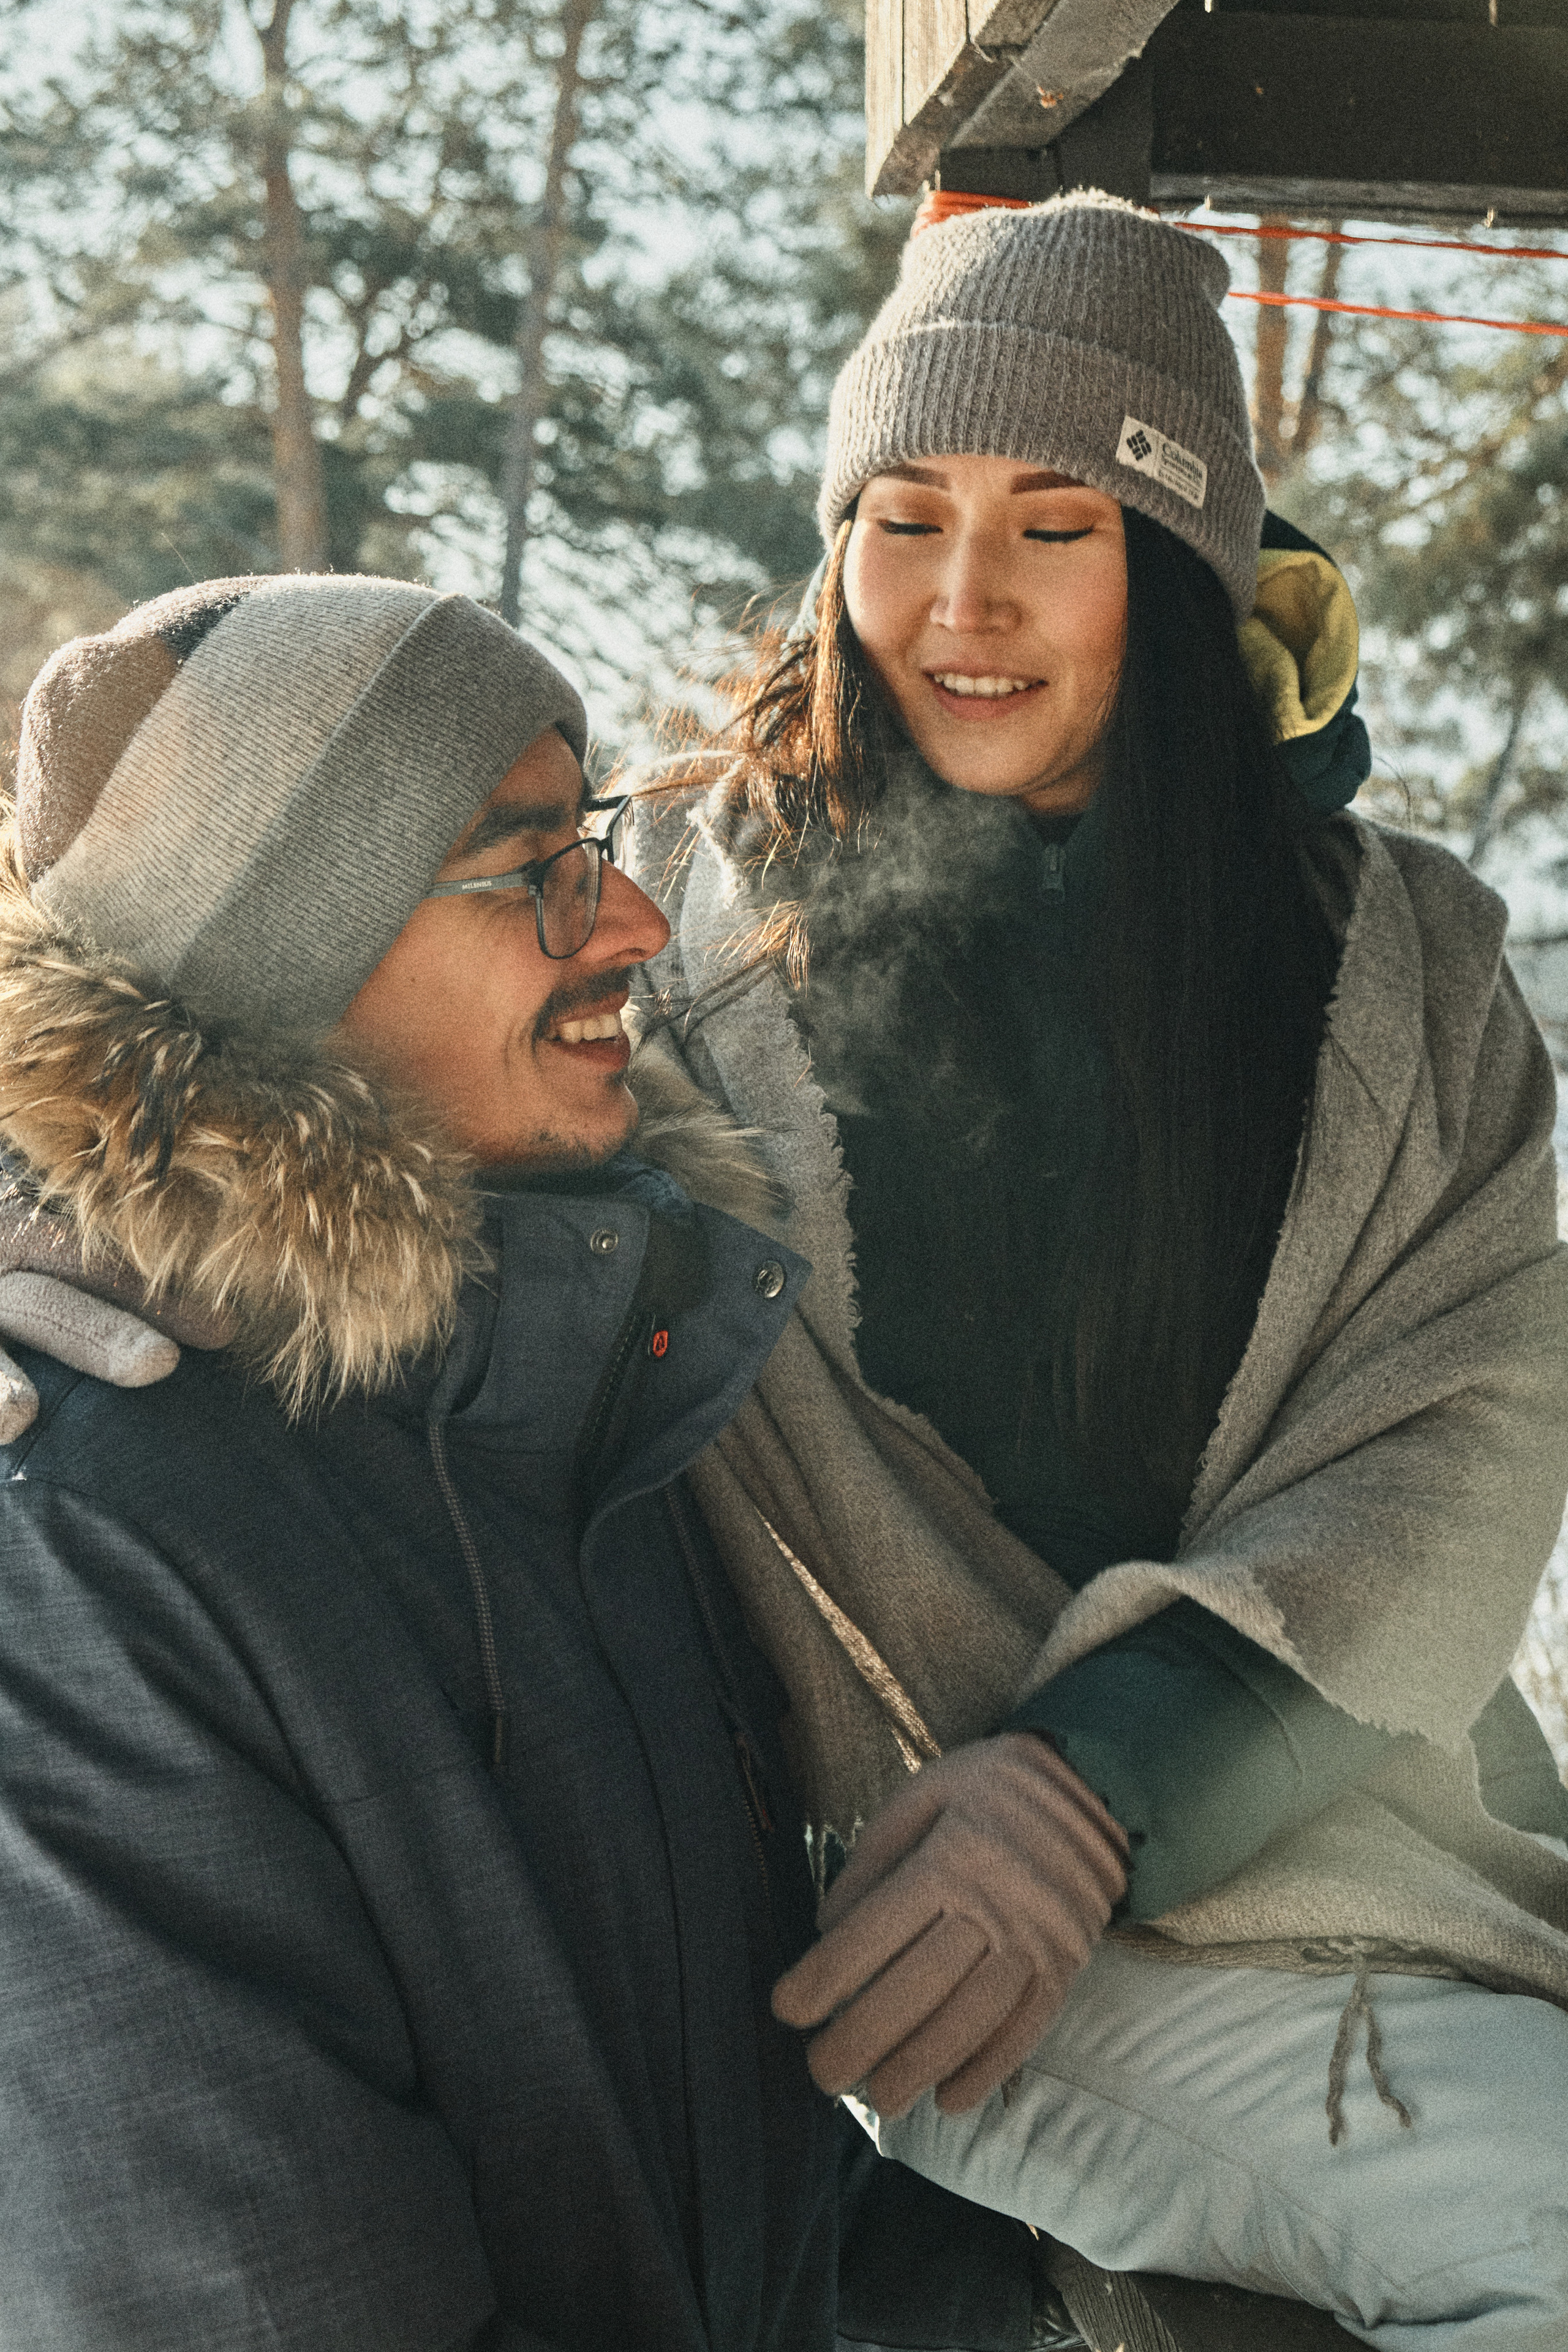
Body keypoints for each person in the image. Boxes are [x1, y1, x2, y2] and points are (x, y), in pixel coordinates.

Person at [618, 194, 1568, 2344]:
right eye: (904, 515)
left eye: (1056, 524)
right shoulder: (666, 944)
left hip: (1350, 1878)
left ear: (1183, 564)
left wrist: (1097, 1777)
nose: (962, 601)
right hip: (923, 1953)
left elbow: (1476, 1427)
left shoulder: (1395, 965)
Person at [0, 572, 839, 2351]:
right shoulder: (79, 1546)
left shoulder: (580, 1400)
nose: (627, 923)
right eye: (526, 864)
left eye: (593, 836)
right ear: (287, 945)